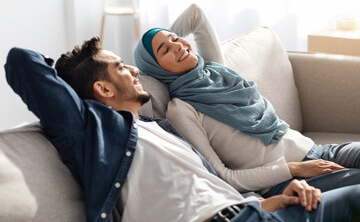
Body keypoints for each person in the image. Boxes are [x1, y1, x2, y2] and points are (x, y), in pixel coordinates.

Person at [5, 35, 360, 222]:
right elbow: (21, 60)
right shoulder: (93, 132)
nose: (132, 69)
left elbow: (220, 195)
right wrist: (75, 73)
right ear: (104, 90)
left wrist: (276, 200)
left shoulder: (162, 129)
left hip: (260, 212)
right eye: (118, 67)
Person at [133, 4, 360, 197]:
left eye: (175, 39)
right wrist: (294, 168)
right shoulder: (181, 110)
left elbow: (196, 15)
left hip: (320, 151)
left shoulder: (215, 71)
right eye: (164, 51)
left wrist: (162, 38)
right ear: (155, 67)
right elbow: (223, 176)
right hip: (289, 181)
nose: (178, 46)